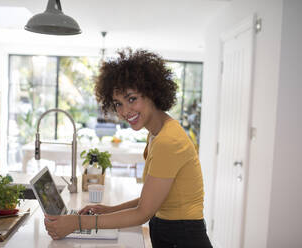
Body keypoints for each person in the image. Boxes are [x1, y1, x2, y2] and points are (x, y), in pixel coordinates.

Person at [44, 48, 212, 248]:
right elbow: (148, 200)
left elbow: (143, 213)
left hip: (183, 237)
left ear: (152, 92)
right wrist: (109, 210)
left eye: (132, 99)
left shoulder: (169, 141)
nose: (124, 111)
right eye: (118, 103)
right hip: (171, 232)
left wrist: (77, 223)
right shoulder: (157, 133)